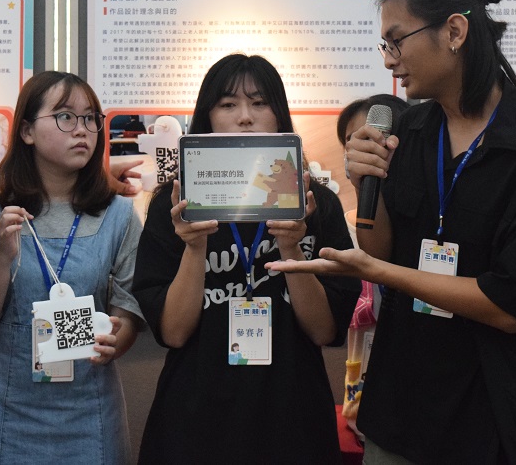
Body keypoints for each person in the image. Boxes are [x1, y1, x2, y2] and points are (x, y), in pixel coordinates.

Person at [268, 0, 516, 464]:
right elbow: (381, 249)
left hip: (503, 411)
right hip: (404, 404)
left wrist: (380, 273)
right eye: (384, 45)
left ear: (454, 32)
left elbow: (510, 310)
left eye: (397, 41)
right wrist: (366, 184)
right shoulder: (408, 133)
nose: (390, 61)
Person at [133, 53, 361, 464]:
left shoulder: (316, 203)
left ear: (279, 115)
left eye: (259, 103)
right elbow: (174, 333)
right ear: (206, 115)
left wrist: (291, 247)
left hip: (292, 412)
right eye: (227, 104)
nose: (244, 117)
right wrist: (195, 247)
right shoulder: (175, 205)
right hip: (196, 414)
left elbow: (324, 330)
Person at [0, 71, 143, 464]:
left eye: (90, 118)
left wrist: (119, 339)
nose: (82, 130)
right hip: (7, 412)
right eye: (65, 116)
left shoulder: (119, 215)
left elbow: (129, 309)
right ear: (27, 131)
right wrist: (2, 258)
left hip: (90, 414)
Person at [334, 94, 410, 438]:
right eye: (352, 141)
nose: (361, 150)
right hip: (365, 389)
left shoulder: (426, 221)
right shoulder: (341, 224)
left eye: (374, 139)